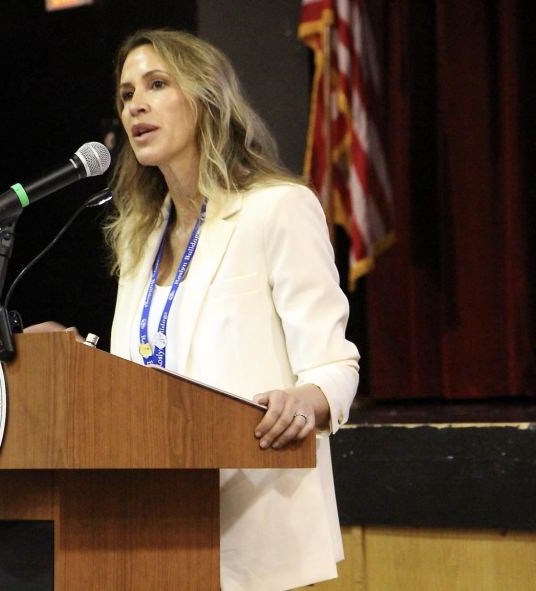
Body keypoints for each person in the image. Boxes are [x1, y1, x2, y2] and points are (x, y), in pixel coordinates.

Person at [105, 29, 360, 590]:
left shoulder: (279, 209)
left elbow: (334, 368)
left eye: (156, 84)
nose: (136, 105)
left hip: (255, 530)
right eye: (126, 95)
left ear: (205, 98)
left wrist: (306, 400)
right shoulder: (139, 240)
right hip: (154, 528)